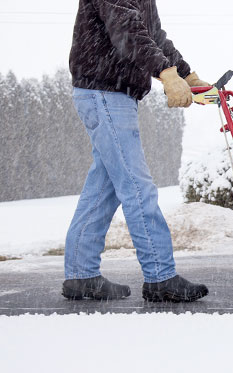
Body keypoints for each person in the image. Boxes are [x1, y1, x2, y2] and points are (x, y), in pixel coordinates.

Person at [62, 0, 209, 302]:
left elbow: (153, 34)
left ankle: (81, 275)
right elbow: (127, 30)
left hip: (112, 92)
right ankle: (160, 277)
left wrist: (186, 73)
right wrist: (166, 74)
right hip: (103, 90)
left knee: (104, 188)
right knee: (136, 186)